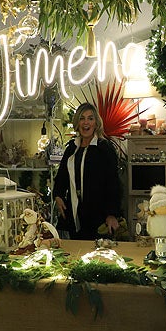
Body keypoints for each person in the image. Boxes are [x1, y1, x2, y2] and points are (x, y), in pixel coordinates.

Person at [52, 102, 122, 240]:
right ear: (77, 123)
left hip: (99, 215)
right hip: (75, 213)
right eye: (82, 118)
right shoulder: (72, 148)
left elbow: (113, 183)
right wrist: (58, 195)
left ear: (96, 123)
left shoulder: (104, 148)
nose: (86, 122)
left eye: (90, 118)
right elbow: (62, 176)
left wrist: (112, 214)